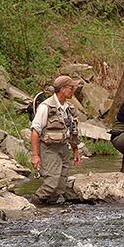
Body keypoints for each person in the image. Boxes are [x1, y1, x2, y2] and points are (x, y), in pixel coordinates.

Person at [30, 76, 82, 205]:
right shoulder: (46, 107)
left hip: (64, 149)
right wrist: (35, 155)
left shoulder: (69, 108)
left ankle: (50, 211)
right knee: (51, 184)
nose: (73, 91)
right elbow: (35, 131)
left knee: (60, 186)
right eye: (71, 88)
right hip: (49, 149)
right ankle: (32, 206)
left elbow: (71, 131)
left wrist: (75, 150)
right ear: (62, 89)